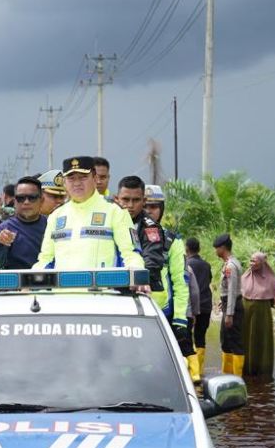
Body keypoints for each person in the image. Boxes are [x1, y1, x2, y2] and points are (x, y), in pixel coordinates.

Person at [35, 156, 144, 274]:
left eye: (83, 177)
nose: (77, 183)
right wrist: (30, 282)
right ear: (65, 182)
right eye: (71, 178)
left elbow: (130, 254)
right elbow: (45, 259)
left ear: (95, 178)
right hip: (62, 291)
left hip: (103, 291)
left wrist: (137, 274)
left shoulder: (115, 211)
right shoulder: (56, 216)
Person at [143, 184, 195, 375]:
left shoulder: (172, 240)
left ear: (162, 209)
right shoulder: (126, 234)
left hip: (162, 315)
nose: (149, 211)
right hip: (132, 313)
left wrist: (180, 319)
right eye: (146, 206)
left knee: (163, 370)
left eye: (154, 207)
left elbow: (181, 282)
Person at [0, 176, 47, 270]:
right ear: (14, 201)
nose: (26, 202)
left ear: (41, 200)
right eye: (21, 198)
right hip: (17, 283)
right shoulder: (4, 229)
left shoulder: (52, 225)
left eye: (32, 198)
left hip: (49, 281)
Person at [241, 252, 275, 377]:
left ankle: (262, 370)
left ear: (262, 263)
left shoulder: (271, 278)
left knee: (261, 340)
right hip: (246, 312)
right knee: (245, 338)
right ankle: (245, 368)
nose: (251, 263)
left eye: (254, 261)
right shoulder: (245, 277)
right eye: (250, 261)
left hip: (262, 314)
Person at [214, 233, 245, 375]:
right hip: (228, 304)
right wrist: (222, 301)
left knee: (235, 341)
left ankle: (236, 377)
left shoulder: (231, 266)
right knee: (226, 340)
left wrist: (230, 314)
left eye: (217, 248)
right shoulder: (228, 263)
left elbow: (232, 290)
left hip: (233, 306)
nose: (215, 251)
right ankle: (227, 374)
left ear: (223, 248)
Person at [185, 237, 213, 379]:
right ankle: (200, 370)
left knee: (188, 337)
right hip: (206, 304)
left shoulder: (186, 265)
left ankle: (192, 372)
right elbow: (209, 280)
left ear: (186, 249)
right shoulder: (206, 265)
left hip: (191, 306)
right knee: (201, 337)